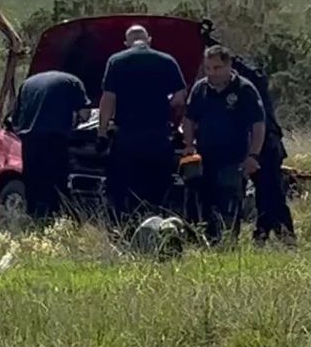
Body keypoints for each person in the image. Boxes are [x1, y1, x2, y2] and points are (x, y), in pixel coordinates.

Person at [97, 25, 188, 223]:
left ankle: (124, 228)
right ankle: (154, 226)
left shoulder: (116, 61)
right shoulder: (167, 60)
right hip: (158, 137)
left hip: (127, 137)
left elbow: (108, 99)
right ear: (149, 40)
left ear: (126, 43)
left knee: (123, 188)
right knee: (157, 188)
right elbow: (180, 98)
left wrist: (102, 132)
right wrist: (166, 109)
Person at [181, 45, 266, 245]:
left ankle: (228, 245)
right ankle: (205, 244)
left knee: (229, 204)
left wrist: (253, 155)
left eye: (217, 68)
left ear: (229, 66)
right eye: (208, 68)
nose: (212, 73)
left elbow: (258, 125)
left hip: (234, 159)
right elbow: (189, 119)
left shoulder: (244, 89)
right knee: (203, 204)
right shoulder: (200, 89)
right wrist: (189, 144)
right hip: (205, 158)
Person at [7, 70, 91, 223]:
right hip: (55, 140)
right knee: (55, 185)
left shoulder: (27, 83)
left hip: (30, 141)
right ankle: (54, 220)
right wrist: (77, 122)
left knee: (33, 184)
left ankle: (33, 220)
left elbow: (15, 118)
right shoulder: (74, 82)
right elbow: (85, 114)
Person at [232, 55, 296, 245]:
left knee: (270, 192)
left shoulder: (247, 85)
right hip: (260, 142)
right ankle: (265, 235)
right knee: (268, 193)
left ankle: (279, 235)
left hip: (265, 143)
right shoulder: (248, 80)